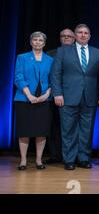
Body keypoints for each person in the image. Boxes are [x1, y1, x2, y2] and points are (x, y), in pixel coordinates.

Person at [51, 24, 99, 170]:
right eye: (80, 32)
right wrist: (57, 93)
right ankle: (69, 159)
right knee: (68, 130)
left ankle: (84, 158)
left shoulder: (98, 53)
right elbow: (55, 74)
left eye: (86, 33)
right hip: (67, 97)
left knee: (87, 130)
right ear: (75, 35)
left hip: (90, 98)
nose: (82, 35)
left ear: (89, 36)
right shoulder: (63, 51)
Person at [14, 32, 53, 170]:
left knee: (41, 131)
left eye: (40, 40)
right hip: (24, 99)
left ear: (44, 43)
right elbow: (18, 77)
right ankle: (23, 161)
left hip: (43, 99)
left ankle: (38, 160)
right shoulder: (22, 57)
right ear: (31, 42)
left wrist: (47, 94)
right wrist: (29, 95)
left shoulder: (50, 59)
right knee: (24, 131)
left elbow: (52, 81)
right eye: (35, 40)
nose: (37, 42)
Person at [46, 28, 75, 164]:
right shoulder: (50, 54)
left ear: (74, 38)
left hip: (73, 95)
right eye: (63, 36)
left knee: (72, 127)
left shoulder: (79, 53)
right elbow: (49, 75)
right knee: (55, 125)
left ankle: (71, 156)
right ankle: (55, 155)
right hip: (54, 95)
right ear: (60, 38)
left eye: (69, 36)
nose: (66, 38)